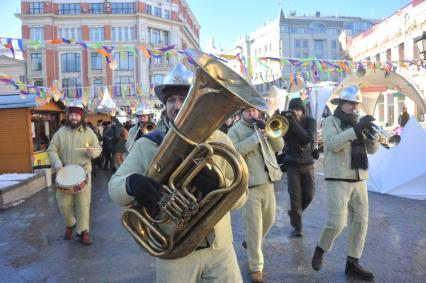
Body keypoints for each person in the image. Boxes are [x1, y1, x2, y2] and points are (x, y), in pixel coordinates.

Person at [108, 63, 247, 283]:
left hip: (219, 247)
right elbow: (114, 188)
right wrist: (132, 184)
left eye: (184, 99)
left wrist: (220, 186)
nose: (177, 105)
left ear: (196, 102)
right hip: (172, 248)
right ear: (164, 105)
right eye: (171, 100)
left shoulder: (221, 141)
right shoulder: (147, 144)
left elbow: (241, 200)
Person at [311, 85, 379, 281]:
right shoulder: (330, 121)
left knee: (361, 221)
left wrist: (371, 133)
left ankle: (353, 262)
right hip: (338, 177)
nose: (354, 107)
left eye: (356, 103)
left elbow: (372, 150)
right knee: (337, 222)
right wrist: (356, 130)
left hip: (359, 177)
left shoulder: (358, 122)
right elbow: (332, 144)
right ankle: (321, 249)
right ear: (341, 103)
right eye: (351, 103)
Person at [228, 107, 283, 283]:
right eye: (248, 111)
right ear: (242, 113)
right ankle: (256, 267)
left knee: (270, 219)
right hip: (249, 185)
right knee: (254, 227)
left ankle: (251, 243)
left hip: (268, 181)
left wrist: (271, 132)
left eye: (255, 111)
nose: (252, 114)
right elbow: (234, 152)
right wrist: (255, 138)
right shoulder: (234, 130)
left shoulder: (263, 125)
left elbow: (279, 147)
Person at [47, 101, 102, 245]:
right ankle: (70, 224)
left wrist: (92, 152)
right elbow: (51, 149)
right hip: (64, 172)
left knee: (83, 204)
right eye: (72, 114)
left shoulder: (89, 132)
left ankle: (83, 231)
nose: (74, 117)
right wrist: (57, 161)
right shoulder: (60, 133)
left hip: (83, 172)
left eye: (77, 115)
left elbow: (98, 149)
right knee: (63, 204)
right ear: (68, 116)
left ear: (82, 117)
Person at [281, 98, 317, 237]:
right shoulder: (287, 121)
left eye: (298, 109)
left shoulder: (310, 122)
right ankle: (298, 227)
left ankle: (295, 212)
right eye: (293, 109)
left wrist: (293, 123)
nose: (296, 112)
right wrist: (282, 120)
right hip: (292, 164)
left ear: (303, 111)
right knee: (295, 197)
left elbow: (306, 138)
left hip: (307, 163)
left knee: (309, 195)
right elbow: (280, 138)